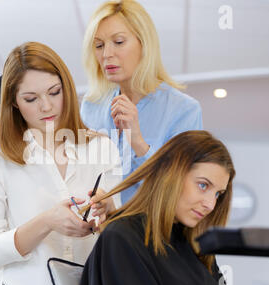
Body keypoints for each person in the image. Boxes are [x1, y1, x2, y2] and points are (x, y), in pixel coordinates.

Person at [0, 42, 122, 285]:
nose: (46, 107)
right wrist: (46, 222)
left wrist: (110, 212)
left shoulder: (101, 147)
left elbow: (118, 240)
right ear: (14, 103)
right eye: (31, 99)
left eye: (54, 92)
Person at [77, 130, 235, 285]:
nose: (211, 205)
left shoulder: (197, 248)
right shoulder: (122, 238)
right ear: (171, 174)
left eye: (218, 194)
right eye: (203, 186)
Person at [80, 0, 203, 204]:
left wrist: (138, 142)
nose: (106, 54)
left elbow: (182, 190)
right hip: (97, 232)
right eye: (99, 45)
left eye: (118, 42)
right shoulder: (91, 105)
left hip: (147, 232)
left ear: (144, 44)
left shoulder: (184, 110)